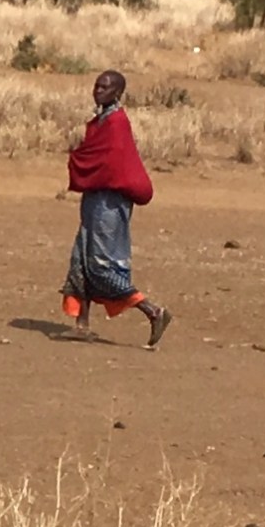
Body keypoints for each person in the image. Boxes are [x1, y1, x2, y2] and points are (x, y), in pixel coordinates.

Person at [60, 69, 172, 348]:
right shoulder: (101, 121)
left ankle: (153, 311)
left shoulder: (117, 123)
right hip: (94, 196)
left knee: (101, 264)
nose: (99, 90)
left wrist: (80, 159)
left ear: (118, 92)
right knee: (80, 259)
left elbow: (113, 164)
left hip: (110, 202)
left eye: (105, 87)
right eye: (97, 85)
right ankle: (82, 325)